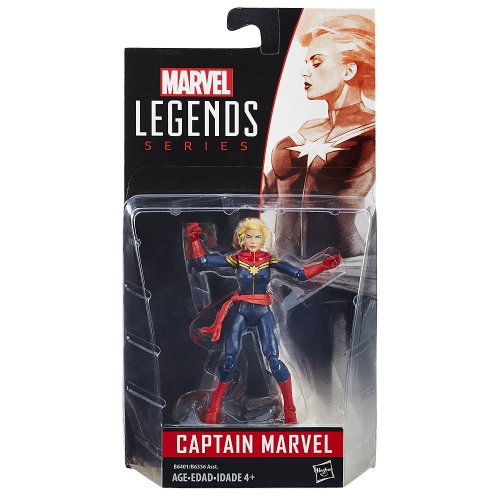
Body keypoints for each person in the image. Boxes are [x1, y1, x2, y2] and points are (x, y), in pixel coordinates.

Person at [186, 218, 341, 424]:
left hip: (262, 311)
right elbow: (203, 262)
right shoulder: (237, 259)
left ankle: (290, 408)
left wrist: (323, 265)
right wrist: (194, 239)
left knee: (273, 360)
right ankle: (214, 407)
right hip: (241, 310)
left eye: (257, 237)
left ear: (263, 240)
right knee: (229, 359)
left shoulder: (270, 261)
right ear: (242, 239)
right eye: (249, 236)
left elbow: (300, 274)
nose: (253, 240)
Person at [264, 14, 375, 259]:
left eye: (316, 63)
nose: (304, 72)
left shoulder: (376, 132)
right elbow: (265, 193)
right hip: (283, 268)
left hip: (348, 268)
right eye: (306, 63)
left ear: (349, 70)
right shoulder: (303, 130)